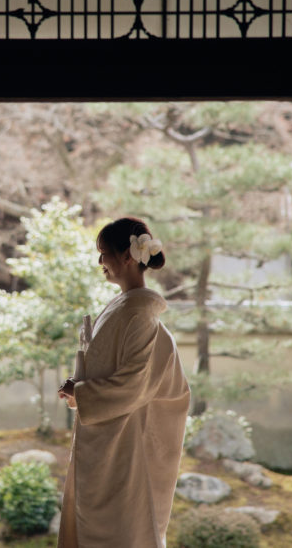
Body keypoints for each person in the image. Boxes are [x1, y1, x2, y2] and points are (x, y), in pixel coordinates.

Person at [57, 217, 191, 548]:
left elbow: (135, 383)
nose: (100, 261)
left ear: (127, 257)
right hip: (107, 439)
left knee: (123, 531)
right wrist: (79, 387)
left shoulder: (140, 313)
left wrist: (83, 392)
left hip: (127, 443)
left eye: (103, 253)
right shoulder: (124, 307)